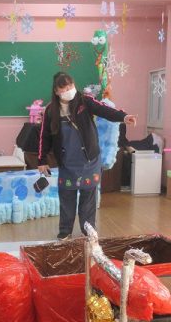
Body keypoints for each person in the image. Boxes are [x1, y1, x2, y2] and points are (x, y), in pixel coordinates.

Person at [38, 72, 137, 240]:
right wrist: (41, 160)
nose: (68, 90)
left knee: (88, 200)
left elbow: (104, 110)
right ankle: (65, 231)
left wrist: (123, 116)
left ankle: (88, 231)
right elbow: (44, 136)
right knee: (67, 198)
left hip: (89, 161)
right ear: (56, 91)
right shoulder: (50, 110)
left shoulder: (85, 101)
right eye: (63, 88)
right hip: (67, 163)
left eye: (70, 86)